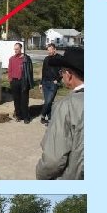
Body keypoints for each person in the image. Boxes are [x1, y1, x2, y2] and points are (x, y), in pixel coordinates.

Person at [36, 47, 84, 180]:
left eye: (62, 71)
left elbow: (53, 161)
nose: (61, 74)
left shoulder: (67, 105)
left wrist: (40, 175)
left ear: (69, 75)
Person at [8, 42, 34, 124]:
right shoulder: (11, 59)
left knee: (24, 100)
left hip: (23, 81)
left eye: (17, 49)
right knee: (16, 100)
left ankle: (26, 117)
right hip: (14, 82)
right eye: (14, 49)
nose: (15, 50)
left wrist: (29, 82)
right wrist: (10, 80)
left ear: (21, 49)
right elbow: (9, 70)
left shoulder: (26, 58)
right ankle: (18, 115)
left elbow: (30, 71)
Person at [39, 43, 62, 125]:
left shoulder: (59, 58)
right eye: (48, 50)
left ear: (54, 49)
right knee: (48, 102)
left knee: (48, 101)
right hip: (45, 83)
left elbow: (63, 70)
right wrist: (41, 83)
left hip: (53, 83)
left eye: (50, 50)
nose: (48, 52)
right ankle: (49, 119)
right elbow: (43, 71)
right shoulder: (46, 59)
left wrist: (58, 79)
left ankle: (42, 116)